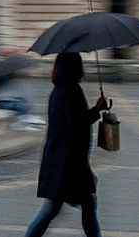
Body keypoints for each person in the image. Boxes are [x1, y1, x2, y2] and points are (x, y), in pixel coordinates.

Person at [26, 52, 108, 237]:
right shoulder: (71, 90)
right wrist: (96, 109)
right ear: (75, 67)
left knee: (61, 208)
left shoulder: (59, 90)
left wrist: (95, 109)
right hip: (67, 163)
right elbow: (77, 122)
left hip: (61, 160)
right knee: (66, 208)